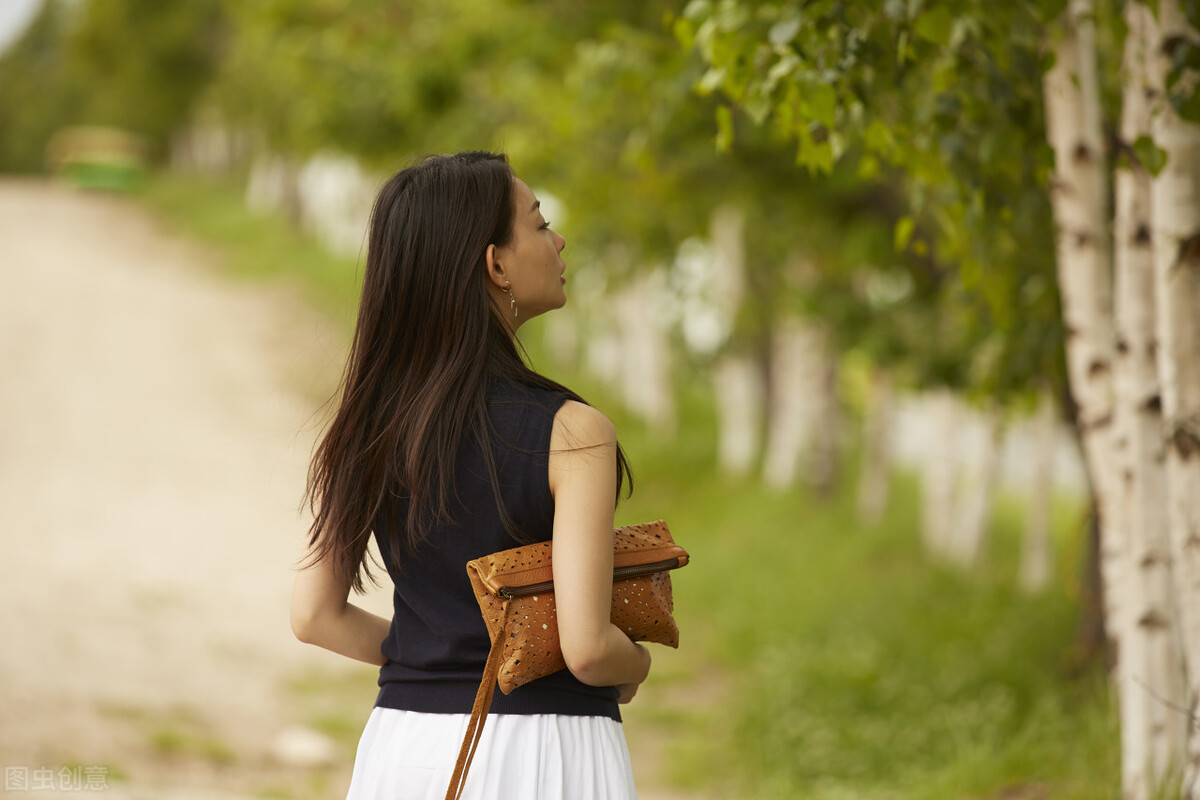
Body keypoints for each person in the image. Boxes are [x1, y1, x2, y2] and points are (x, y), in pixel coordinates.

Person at [290, 151, 651, 799]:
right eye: (540, 225)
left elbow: (315, 615)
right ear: (496, 264)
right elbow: (589, 648)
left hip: (403, 750)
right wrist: (637, 663)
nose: (559, 239)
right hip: (548, 752)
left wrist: (433, 655)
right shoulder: (571, 432)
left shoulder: (370, 423)